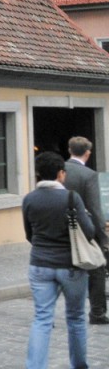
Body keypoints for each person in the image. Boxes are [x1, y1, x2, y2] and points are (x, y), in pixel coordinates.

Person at [23, 150, 98, 369]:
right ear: (60, 174)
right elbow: (89, 231)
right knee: (75, 318)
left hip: (40, 265)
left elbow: (29, 235)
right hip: (71, 266)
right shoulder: (71, 198)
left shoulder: (29, 199)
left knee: (42, 318)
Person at [62, 136, 108, 325]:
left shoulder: (60, 168)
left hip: (60, 226)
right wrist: (103, 237)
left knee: (62, 266)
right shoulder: (88, 175)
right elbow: (95, 209)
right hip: (82, 227)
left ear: (69, 150)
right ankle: (97, 312)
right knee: (97, 268)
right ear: (88, 153)